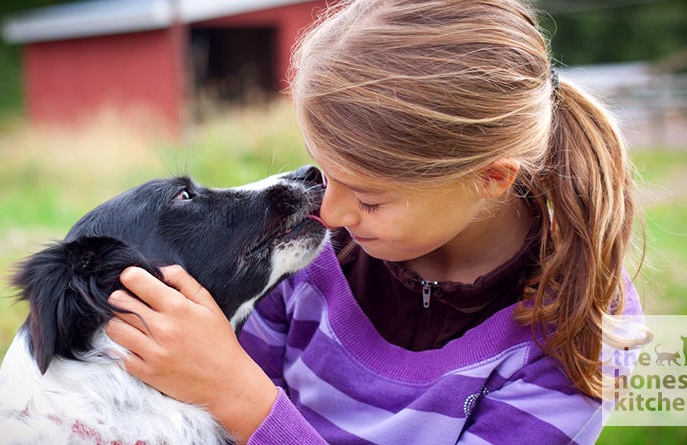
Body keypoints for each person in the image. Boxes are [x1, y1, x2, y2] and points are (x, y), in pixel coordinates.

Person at [104, 0, 644, 443]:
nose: (329, 214)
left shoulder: (579, 328)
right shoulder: (308, 265)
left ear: (491, 178)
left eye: (369, 198)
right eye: (324, 175)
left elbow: (234, 396)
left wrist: (241, 397)